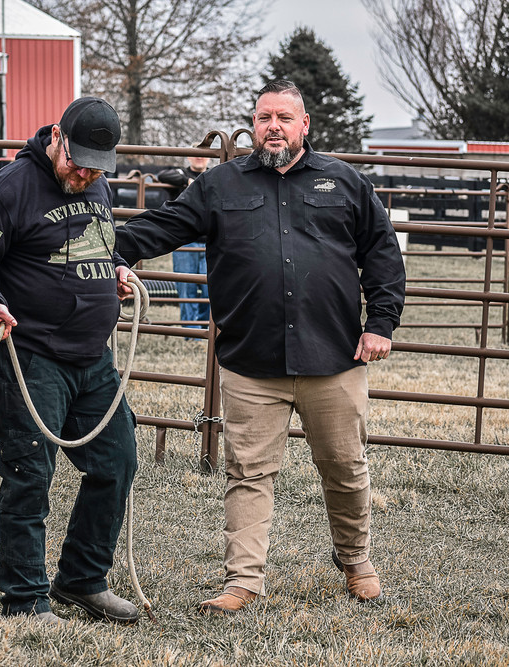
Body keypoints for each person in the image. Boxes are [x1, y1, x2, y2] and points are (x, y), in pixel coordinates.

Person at [114, 80, 406, 613]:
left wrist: (380, 324)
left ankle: (357, 561)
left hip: (335, 357)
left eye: (284, 117)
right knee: (248, 473)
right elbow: (165, 226)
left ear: (304, 125)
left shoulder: (344, 183)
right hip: (251, 361)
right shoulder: (221, 185)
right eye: (264, 116)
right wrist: (113, 253)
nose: (274, 126)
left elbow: (382, 254)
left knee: (344, 466)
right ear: (254, 122)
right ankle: (243, 581)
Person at [0, 97, 140, 625]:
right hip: (29, 356)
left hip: (92, 359)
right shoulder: (8, 190)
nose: (83, 174)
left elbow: (101, 243)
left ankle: (81, 580)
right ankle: (24, 599)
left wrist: (117, 269)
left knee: (117, 461)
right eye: (76, 160)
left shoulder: (95, 183)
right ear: (56, 137)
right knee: (30, 473)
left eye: (95, 168)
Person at [157, 147, 212, 331]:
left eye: (204, 154)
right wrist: (187, 181)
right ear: (188, 156)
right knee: (186, 288)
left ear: (210, 158)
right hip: (185, 242)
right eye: (196, 153)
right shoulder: (181, 174)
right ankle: (189, 330)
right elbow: (162, 175)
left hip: (210, 242)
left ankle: (204, 328)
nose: (199, 157)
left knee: (209, 289)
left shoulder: (213, 176)